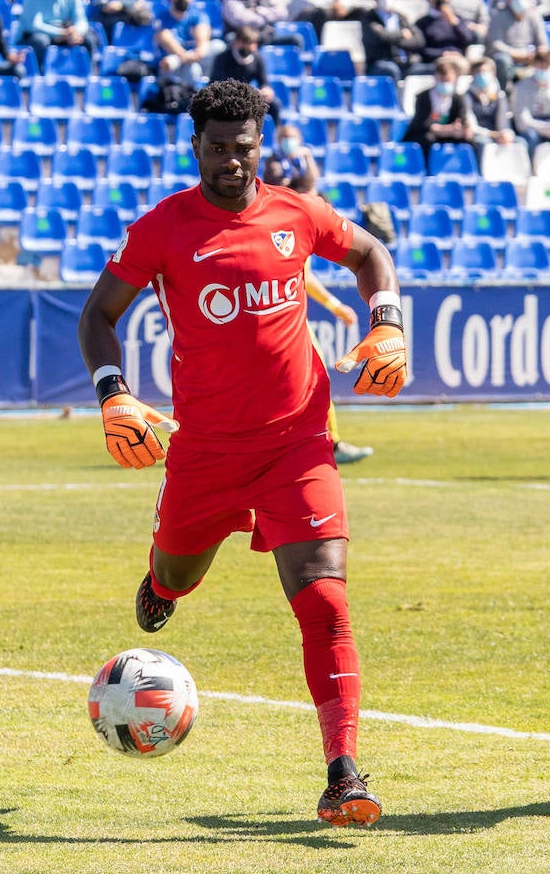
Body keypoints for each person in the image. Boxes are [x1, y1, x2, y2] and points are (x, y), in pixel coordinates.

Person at [76, 79, 406, 827]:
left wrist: (386, 322)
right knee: (174, 575)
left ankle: (344, 773)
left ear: (263, 145)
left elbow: (370, 254)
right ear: (195, 146)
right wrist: (113, 394)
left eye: (245, 148)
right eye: (218, 149)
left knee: (324, 597)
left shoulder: (297, 211)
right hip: (206, 453)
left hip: (298, 441)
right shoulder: (161, 229)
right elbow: (99, 314)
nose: (232, 161)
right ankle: (163, 582)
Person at [262, 121, 377, 466]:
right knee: (304, 379)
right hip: (281, 320)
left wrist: (334, 304)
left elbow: (302, 277)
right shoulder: (285, 226)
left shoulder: (288, 225)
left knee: (306, 379)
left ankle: (320, 442)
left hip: (284, 318)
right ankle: (324, 443)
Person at [401, 53, 474, 162]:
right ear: (435, 78)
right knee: (426, 140)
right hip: (424, 135)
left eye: (448, 81)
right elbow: (424, 124)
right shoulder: (423, 97)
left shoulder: (458, 99)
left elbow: (462, 120)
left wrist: (464, 129)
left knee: (469, 143)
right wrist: (448, 130)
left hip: (450, 136)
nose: (445, 84)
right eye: (442, 80)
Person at [209, 27, 282, 122]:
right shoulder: (223, 58)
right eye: (244, 42)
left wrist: (266, 90)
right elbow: (217, 84)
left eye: (251, 43)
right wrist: (244, 93)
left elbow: (263, 81)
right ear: (236, 42)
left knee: (274, 105)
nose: (248, 46)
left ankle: (276, 134)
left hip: (247, 98)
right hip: (226, 98)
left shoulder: (257, 59)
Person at [17, 0, 99, 71]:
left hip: (65, 34)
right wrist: (60, 33)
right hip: (35, 35)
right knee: (41, 41)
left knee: (88, 39)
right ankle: (40, 78)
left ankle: (88, 77)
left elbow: (81, 21)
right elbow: (32, 25)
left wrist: (75, 33)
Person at [485, 0, 550, 88]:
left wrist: (536, 55)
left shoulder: (534, 15)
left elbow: (543, 44)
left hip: (530, 59)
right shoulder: (497, 14)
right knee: (503, 61)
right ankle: (503, 95)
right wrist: (519, 54)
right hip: (508, 58)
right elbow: (496, 44)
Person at [153, 0, 221, 82]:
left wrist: (193, 54)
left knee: (218, 45)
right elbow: (164, 38)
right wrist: (184, 56)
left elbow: (202, 46)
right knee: (193, 69)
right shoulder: (162, 18)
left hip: (187, 59)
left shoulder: (198, 15)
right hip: (171, 67)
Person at [359, 0, 425, 80]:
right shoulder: (369, 18)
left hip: (405, 63)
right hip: (379, 63)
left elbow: (419, 40)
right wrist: (402, 34)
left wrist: (395, 41)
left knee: (425, 69)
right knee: (392, 69)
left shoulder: (401, 17)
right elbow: (382, 37)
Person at [416, 0, 479, 70]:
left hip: (458, 59)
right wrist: (442, 53)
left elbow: (468, 40)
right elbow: (421, 49)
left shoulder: (458, 19)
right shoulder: (422, 23)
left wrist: (454, 22)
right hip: (436, 61)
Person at [468, 56, 517, 150]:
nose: (482, 75)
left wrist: (505, 134)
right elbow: (472, 126)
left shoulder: (499, 94)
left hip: (498, 135)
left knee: (519, 142)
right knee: (483, 142)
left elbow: (503, 122)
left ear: (493, 74)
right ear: (473, 74)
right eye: (479, 72)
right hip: (480, 135)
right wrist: (492, 134)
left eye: (486, 71)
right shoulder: (467, 95)